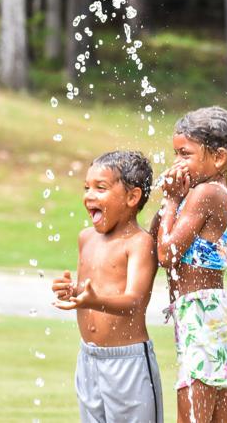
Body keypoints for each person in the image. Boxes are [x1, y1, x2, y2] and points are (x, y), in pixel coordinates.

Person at [151, 106, 227, 423]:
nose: (177, 163)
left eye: (185, 154)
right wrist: (170, 202)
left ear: (219, 158)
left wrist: (172, 201)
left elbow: (166, 255)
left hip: (201, 319)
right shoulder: (223, 194)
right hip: (213, 317)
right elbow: (158, 237)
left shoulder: (206, 193)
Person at [52, 150, 164, 423]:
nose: (89, 195)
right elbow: (93, 289)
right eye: (87, 188)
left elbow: (134, 302)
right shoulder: (86, 238)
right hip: (88, 359)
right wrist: (75, 292)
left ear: (132, 197)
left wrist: (91, 300)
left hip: (128, 363)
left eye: (100, 188)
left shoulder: (139, 243)